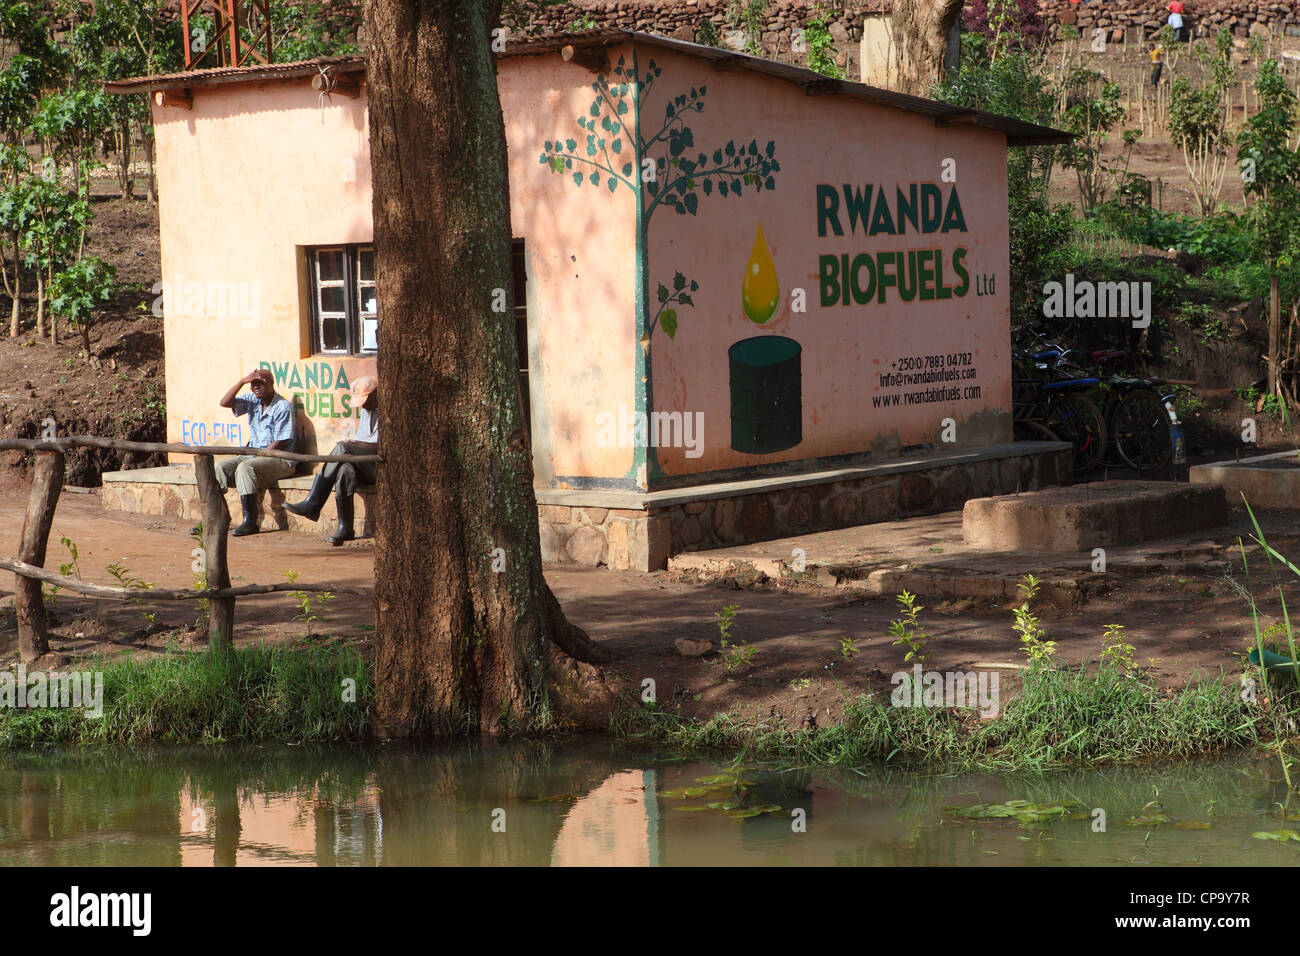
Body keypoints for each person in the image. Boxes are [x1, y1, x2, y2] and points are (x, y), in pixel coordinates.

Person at [285, 376, 378, 545]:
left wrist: (353, 444)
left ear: (375, 394)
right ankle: (345, 527)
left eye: (365, 399)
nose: (363, 404)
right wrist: (355, 445)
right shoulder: (366, 411)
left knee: (343, 447)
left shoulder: (389, 410)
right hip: (364, 464)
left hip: (377, 468)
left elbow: (380, 446)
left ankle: (313, 502)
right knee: (345, 471)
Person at [213, 369, 297, 536]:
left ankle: (250, 521)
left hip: (280, 459)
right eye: (253, 384)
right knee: (219, 468)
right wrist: (242, 382)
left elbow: (282, 440)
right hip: (253, 455)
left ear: (271, 384)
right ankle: (215, 517)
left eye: (261, 384)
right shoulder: (253, 400)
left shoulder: (282, 406)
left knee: (246, 468)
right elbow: (224, 402)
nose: (256, 387)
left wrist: (260, 455)